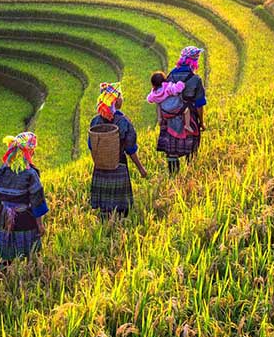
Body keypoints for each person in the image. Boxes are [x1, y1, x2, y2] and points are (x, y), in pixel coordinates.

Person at [88, 82, 149, 218]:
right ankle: (118, 231)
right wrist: (141, 168)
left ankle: (105, 227)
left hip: (100, 168)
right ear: (116, 101)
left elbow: (91, 146)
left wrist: (99, 162)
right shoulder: (123, 122)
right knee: (122, 208)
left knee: (104, 206)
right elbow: (130, 149)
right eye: (120, 96)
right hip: (118, 165)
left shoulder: (95, 122)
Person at [0, 132, 49, 266]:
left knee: (7, 254)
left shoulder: (2, 171)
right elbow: (37, 202)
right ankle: (29, 277)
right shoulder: (30, 174)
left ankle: (5, 274)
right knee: (31, 254)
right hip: (25, 218)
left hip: (5, 217)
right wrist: (40, 225)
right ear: (29, 152)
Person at [157, 47, 208, 175]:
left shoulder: (171, 75)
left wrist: (161, 117)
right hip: (188, 118)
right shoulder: (196, 79)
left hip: (171, 118)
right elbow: (199, 104)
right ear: (195, 62)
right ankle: (189, 177)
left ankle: (173, 177)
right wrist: (201, 122)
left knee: (172, 150)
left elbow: (162, 96)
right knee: (191, 149)